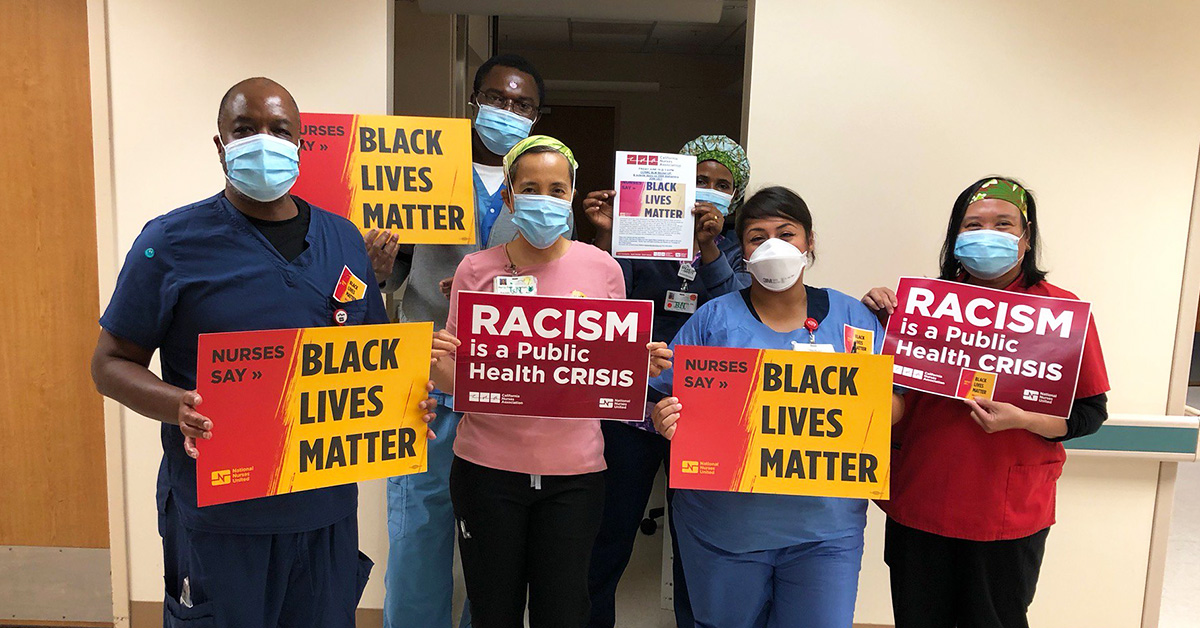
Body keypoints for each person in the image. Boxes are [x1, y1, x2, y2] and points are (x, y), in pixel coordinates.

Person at [90, 77, 438, 628]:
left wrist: (406, 401)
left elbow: (369, 353)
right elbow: (108, 363)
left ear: (300, 145)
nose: (263, 141)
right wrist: (176, 404)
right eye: (245, 129)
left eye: (279, 130)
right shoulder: (171, 243)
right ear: (220, 145)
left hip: (322, 512)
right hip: (220, 516)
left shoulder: (343, 240)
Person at [428, 135, 672, 628]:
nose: (544, 198)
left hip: (575, 477)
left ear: (572, 193)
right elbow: (458, 377)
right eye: (531, 187)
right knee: (492, 611)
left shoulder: (603, 268)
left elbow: (608, 370)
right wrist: (434, 361)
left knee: (563, 612)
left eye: (557, 189)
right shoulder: (475, 269)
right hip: (486, 471)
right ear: (511, 197)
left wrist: (636, 369)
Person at [649, 186, 905, 628]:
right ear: (742, 251)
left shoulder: (854, 318)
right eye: (756, 236)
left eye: (786, 234)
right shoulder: (713, 320)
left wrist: (863, 402)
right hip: (724, 530)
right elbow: (662, 397)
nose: (773, 246)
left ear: (809, 243)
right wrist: (662, 419)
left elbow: (894, 404)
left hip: (825, 533)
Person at [861, 177, 1110, 628]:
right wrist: (872, 323)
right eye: (972, 225)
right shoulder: (921, 308)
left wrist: (1024, 419)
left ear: (1026, 237)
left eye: (1002, 224)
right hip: (921, 503)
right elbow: (884, 395)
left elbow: (1091, 413)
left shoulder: (1059, 313)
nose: (986, 234)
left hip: (1007, 515)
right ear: (955, 236)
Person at [371, 53, 564, 628]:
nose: (508, 112)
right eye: (497, 100)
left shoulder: (543, 190)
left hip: (503, 390)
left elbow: (565, 292)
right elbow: (384, 281)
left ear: (536, 115)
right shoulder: (421, 174)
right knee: (418, 532)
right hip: (428, 385)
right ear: (474, 103)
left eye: (522, 104)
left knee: (494, 548)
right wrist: (375, 269)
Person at [580, 134, 751, 628]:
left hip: (703, 414)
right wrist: (609, 235)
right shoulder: (643, 235)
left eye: (723, 184)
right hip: (632, 412)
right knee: (607, 538)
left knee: (696, 543)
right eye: (700, 180)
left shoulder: (744, 250)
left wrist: (711, 247)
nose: (710, 192)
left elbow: (739, 311)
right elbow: (605, 296)